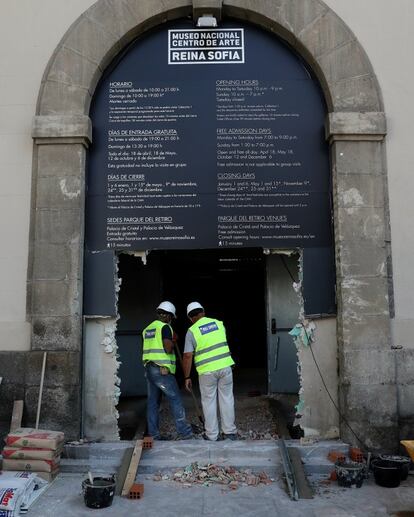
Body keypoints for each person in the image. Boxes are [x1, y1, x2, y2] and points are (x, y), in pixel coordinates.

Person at [182, 302, 237, 441]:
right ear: (203, 312)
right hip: (225, 367)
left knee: (209, 402)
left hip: (207, 372)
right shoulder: (218, 324)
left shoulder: (192, 331)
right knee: (227, 399)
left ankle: (212, 435)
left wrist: (187, 376)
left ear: (190, 318)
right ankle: (229, 432)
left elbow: (188, 356)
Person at [142, 301, 193, 440]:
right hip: (162, 371)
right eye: (171, 317)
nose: (171, 320)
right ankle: (185, 432)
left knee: (153, 403)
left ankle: (154, 435)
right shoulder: (165, 327)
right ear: (168, 316)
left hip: (150, 369)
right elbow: (167, 348)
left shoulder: (147, 329)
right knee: (176, 399)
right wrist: (173, 340)